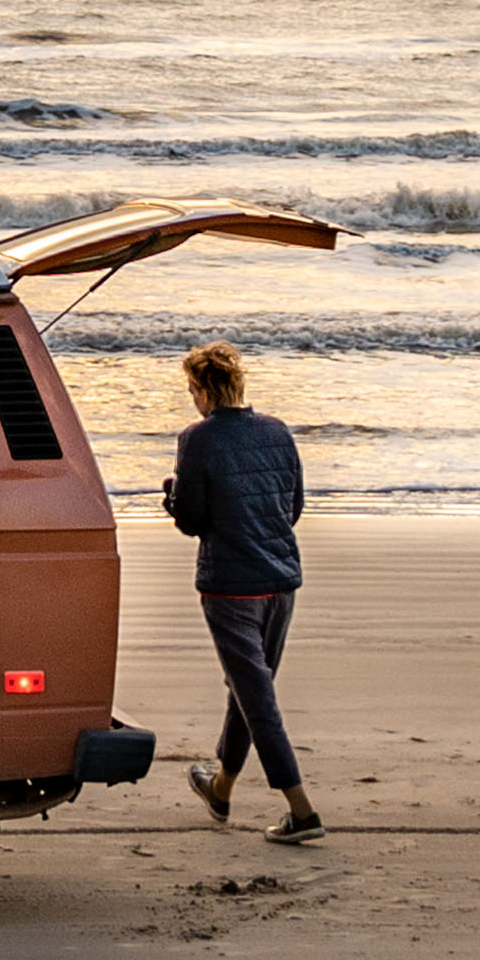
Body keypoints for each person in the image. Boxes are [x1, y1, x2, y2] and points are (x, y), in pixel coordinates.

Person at [166, 340, 321, 843]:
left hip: (232, 587)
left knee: (258, 700)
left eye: (192, 390)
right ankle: (221, 789)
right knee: (248, 690)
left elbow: (191, 521)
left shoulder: (198, 440)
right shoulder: (277, 432)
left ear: (204, 391)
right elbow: (293, 505)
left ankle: (301, 811)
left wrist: (171, 497)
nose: (192, 399)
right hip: (280, 582)